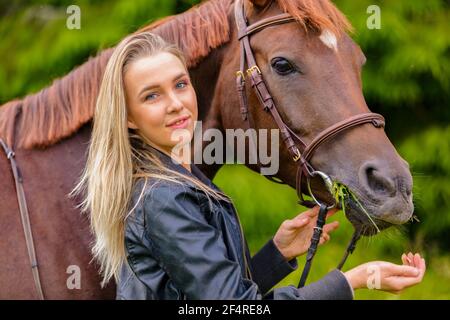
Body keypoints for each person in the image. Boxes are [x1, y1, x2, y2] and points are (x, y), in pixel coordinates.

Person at [71, 32, 426, 300]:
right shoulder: (163, 196)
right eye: (152, 95)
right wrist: (351, 280)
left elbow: (214, 298)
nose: (176, 104)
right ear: (129, 118)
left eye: (180, 85)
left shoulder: (176, 181)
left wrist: (278, 252)